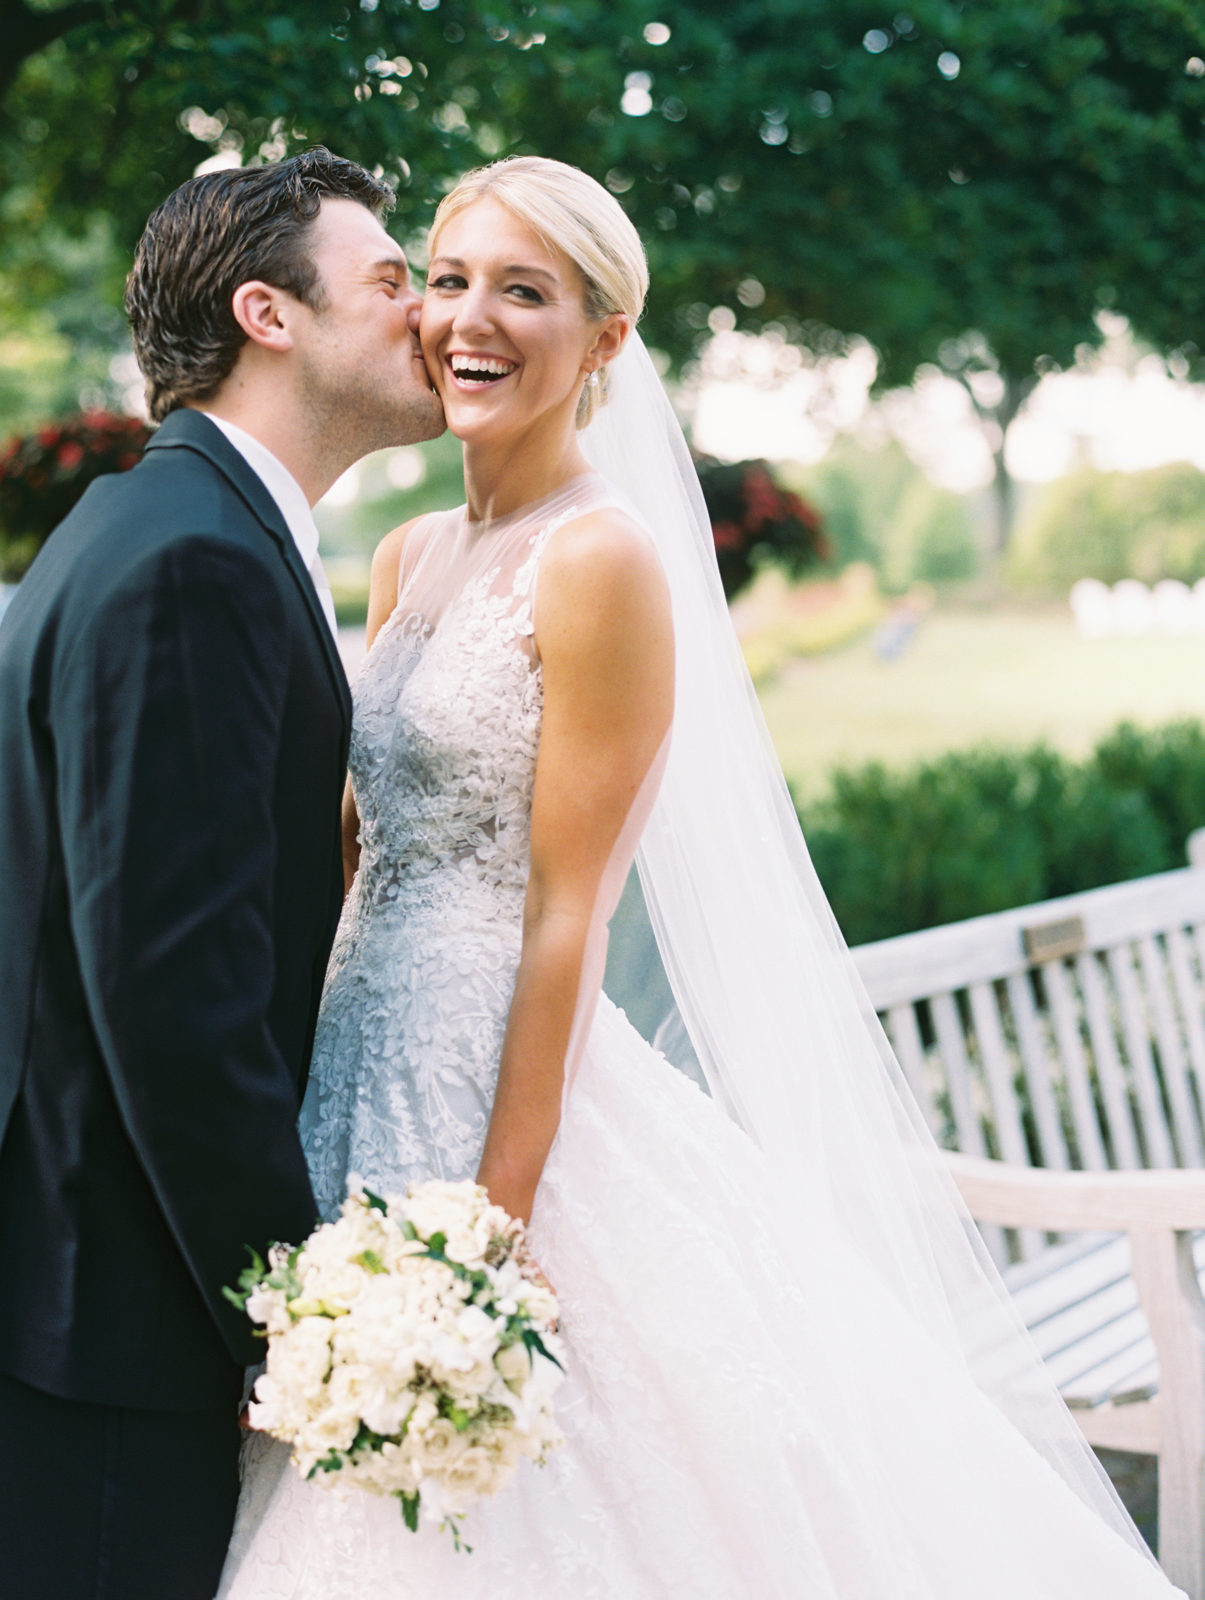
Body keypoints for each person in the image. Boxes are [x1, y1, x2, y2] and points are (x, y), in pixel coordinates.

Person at [218, 157, 1185, 1599]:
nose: (470, 318)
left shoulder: (601, 560)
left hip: (505, 1079)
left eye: (527, 292)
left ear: (606, 341)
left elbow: (568, 906)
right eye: (453, 276)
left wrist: (494, 1220)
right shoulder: (411, 553)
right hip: (356, 1060)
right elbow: (362, 842)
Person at [0, 148, 443, 1600]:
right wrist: (307, 1326)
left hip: (89, 1283)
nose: (428, 313)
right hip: (118, 1315)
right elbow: (172, 996)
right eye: (389, 280)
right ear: (270, 314)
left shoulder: (178, 524)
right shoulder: (194, 559)